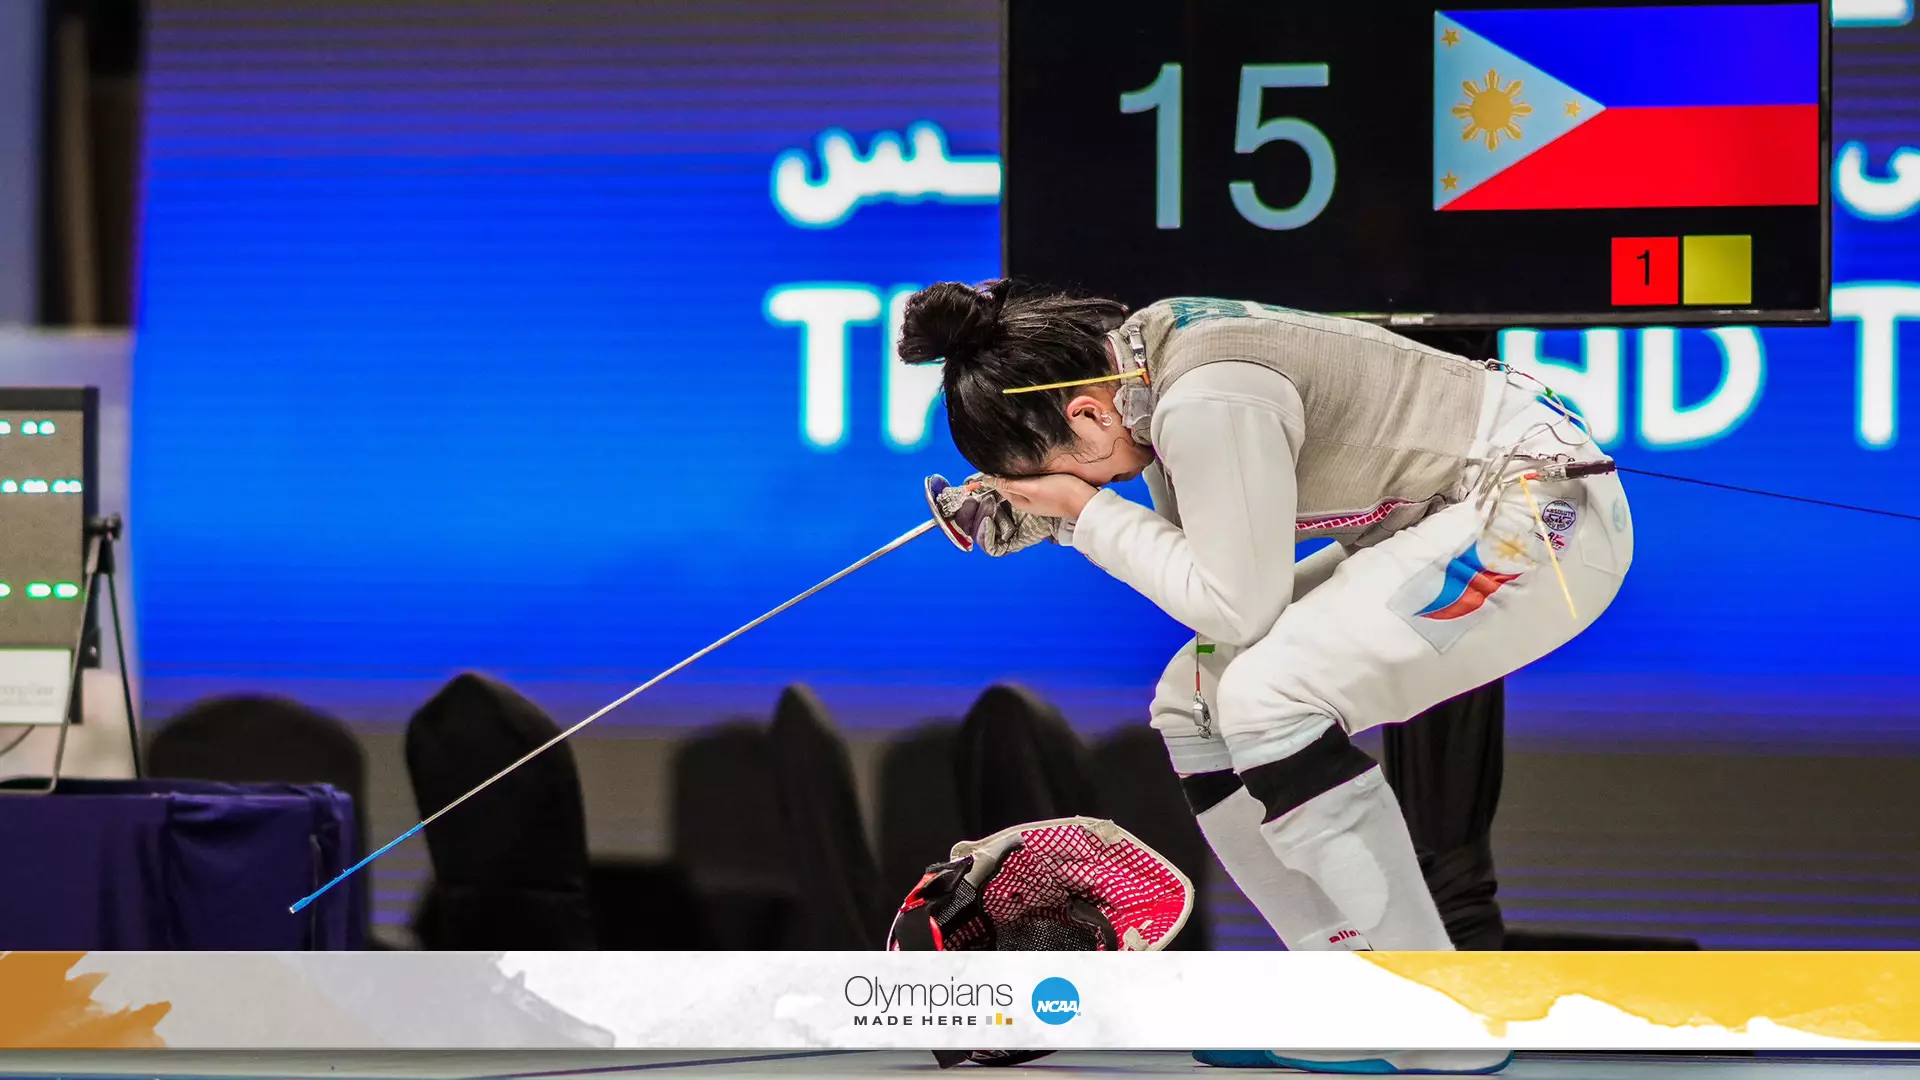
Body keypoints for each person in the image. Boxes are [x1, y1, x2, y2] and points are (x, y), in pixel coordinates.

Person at [905, 281, 1633, 1074]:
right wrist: (1059, 507)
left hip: (1538, 516)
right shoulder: (1144, 362)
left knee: (1267, 697)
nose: (1097, 485)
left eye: (1065, 473)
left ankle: (1434, 1013)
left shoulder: (1204, 396)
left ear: (1085, 413)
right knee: (1195, 705)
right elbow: (1212, 550)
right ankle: (1349, 991)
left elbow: (1234, 605)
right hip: (1451, 520)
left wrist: (1082, 515)